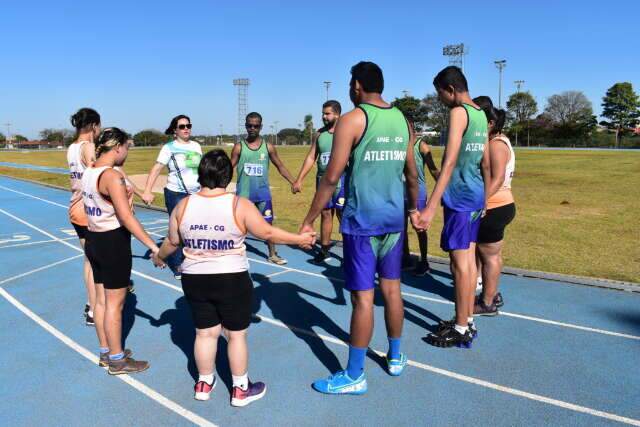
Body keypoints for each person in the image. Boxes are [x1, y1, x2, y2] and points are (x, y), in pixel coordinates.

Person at [152, 150, 315, 405]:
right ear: (227, 176)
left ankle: (204, 383)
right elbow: (267, 232)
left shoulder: (184, 205)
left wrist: (159, 257)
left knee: (205, 334)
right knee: (236, 334)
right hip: (232, 278)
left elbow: (172, 241)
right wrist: (300, 239)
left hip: (195, 278)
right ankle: (240, 388)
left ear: (200, 174)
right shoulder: (238, 204)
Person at [300, 61, 420, 394]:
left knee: (363, 300)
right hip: (394, 222)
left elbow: (332, 177)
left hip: (361, 224)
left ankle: (355, 375)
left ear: (356, 86)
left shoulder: (352, 120)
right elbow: (412, 174)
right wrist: (414, 209)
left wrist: (308, 220)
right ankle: (395, 358)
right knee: (393, 290)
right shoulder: (402, 120)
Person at [417, 66, 490, 348]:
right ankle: (466, 319)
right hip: (473, 197)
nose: (440, 100)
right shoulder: (481, 115)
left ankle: (461, 327)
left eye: (440, 95)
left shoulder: (459, 113)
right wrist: (484, 198)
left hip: (459, 199)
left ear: (450, 89)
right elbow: (485, 163)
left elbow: (448, 162)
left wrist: (431, 207)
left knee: (460, 265)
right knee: (469, 262)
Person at [82, 127, 158, 375]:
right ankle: (117, 360)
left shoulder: (89, 171)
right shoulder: (112, 176)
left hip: (94, 239)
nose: (127, 153)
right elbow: (126, 217)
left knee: (102, 301)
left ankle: (106, 351)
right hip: (113, 242)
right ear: (117, 148)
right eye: (127, 148)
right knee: (116, 304)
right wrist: (152, 245)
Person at [231, 112, 297, 265]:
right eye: (249, 125)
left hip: (263, 194)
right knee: (238, 226)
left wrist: (293, 182)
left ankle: (272, 254)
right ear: (246, 126)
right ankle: (233, 253)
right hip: (244, 196)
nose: (252, 128)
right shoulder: (239, 147)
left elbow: (280, 166)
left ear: (261, 127)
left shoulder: (268, 147)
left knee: (268, 225)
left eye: (255, 126)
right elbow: (228, 168)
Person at [142, 115, 202, 279]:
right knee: (177, 229)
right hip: (176, 193)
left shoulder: (196, 146)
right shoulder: (169, 148)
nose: (186, 129)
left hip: (195, 194)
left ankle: (192, 258)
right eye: (182, 126)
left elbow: (199, 170)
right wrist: (148, 190)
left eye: (188, 125)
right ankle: (176, 264)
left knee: (193, 228)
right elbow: (156, 169)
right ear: (174, 130)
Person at [472, 97, 515, 315]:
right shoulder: (497, 141)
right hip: (500, 205)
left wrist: (481, 202)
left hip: (495, 206)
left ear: (490, 123)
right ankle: (491, 293)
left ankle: (487, 302)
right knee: (490, 254)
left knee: (489, 256)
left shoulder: (496, 145)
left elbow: (497, 179)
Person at [292, 100, 345, 264]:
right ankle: (324, 250)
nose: (324, 116)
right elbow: (310, 157)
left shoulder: (345, 132)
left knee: (344, 216)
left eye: (327, 113)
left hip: (342, 181)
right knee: (325, 214)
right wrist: (299, 179)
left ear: (337, 114)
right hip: (322, 181)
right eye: (323, 113)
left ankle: (349, 253)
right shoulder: (319, 134)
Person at [67, 108, 101, 325]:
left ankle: (91, 305)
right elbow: (95, 175)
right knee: (97, 262)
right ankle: (95, 309)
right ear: (94, 126)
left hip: (75, 206)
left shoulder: (71, 148)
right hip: (88, 209)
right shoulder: (88, 147)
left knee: (89, 260)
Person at [402, 124, 440, 276]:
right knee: (400, 227)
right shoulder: (398, 143)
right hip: (399, 191)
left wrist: (444, 189)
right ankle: (405, 257)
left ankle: (424, 261)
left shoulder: (421, 145)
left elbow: (433, 169)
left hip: (417, 192)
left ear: (411, 126)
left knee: (419, 227)